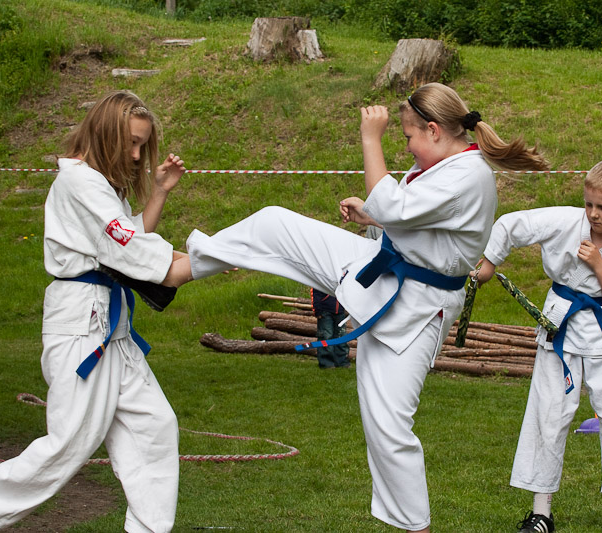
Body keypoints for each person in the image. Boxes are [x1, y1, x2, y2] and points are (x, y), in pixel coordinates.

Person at [183, 82, 548, 532]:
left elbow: (394, 206)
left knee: (388, 429)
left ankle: (416, 527)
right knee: (275, 224)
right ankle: (177, 271)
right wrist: (373, 217)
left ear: (434, 130)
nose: (407, 147)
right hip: (383, 273)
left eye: (409, 137)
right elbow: (413, 219)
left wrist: (370, 138)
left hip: (416, 310)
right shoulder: (447, 167)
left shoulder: (468, 175)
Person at [0, 91, 194, 533]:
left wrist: (159, 192)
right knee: (70, 442)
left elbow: (126, 242)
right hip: (83, 325)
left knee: (154, 428)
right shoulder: (80, 183)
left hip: (110, 327)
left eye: (142, 145)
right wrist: (204, 260)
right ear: (106, 134)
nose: (137, 155)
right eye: (132, 142)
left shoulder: (99, 186)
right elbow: (131, 253)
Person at [475, 159, 602, 531]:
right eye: (588, 204)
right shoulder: (564, 220)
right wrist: (490, 263)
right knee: (549, 415)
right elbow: (511, 224)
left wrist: (600, 267)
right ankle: (541, 512)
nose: (593, 214)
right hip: (560, 328)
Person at [310, 287, 351, 368]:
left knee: (341, 336)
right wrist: (317, 310)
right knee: (326, 336)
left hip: (340, 311)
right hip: (325, 310)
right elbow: (315, 291)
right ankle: (326, 363)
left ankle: (342, 361)